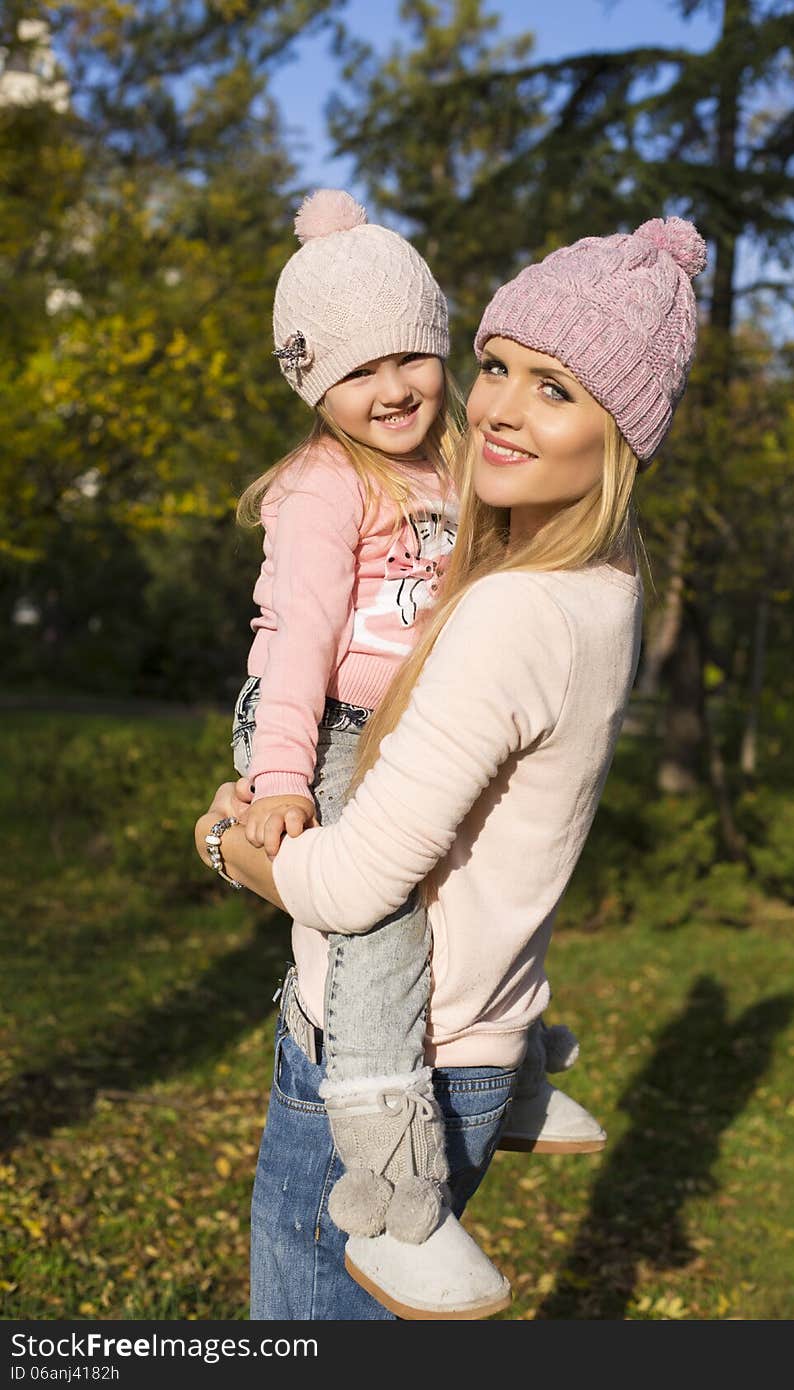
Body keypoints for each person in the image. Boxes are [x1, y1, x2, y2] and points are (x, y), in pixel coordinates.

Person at [197, 213, 706, 1319]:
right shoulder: (592, 584)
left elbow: (353, 887)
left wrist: (225, 842)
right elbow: (291, 646)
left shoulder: (502, 569)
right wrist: (280, 775)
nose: (486, 404)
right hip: (317, 723)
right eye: (496, 368)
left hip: (408, 1045)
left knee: (375, 927)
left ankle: (393, 1174)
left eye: (556, 387)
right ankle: (516, 1071)